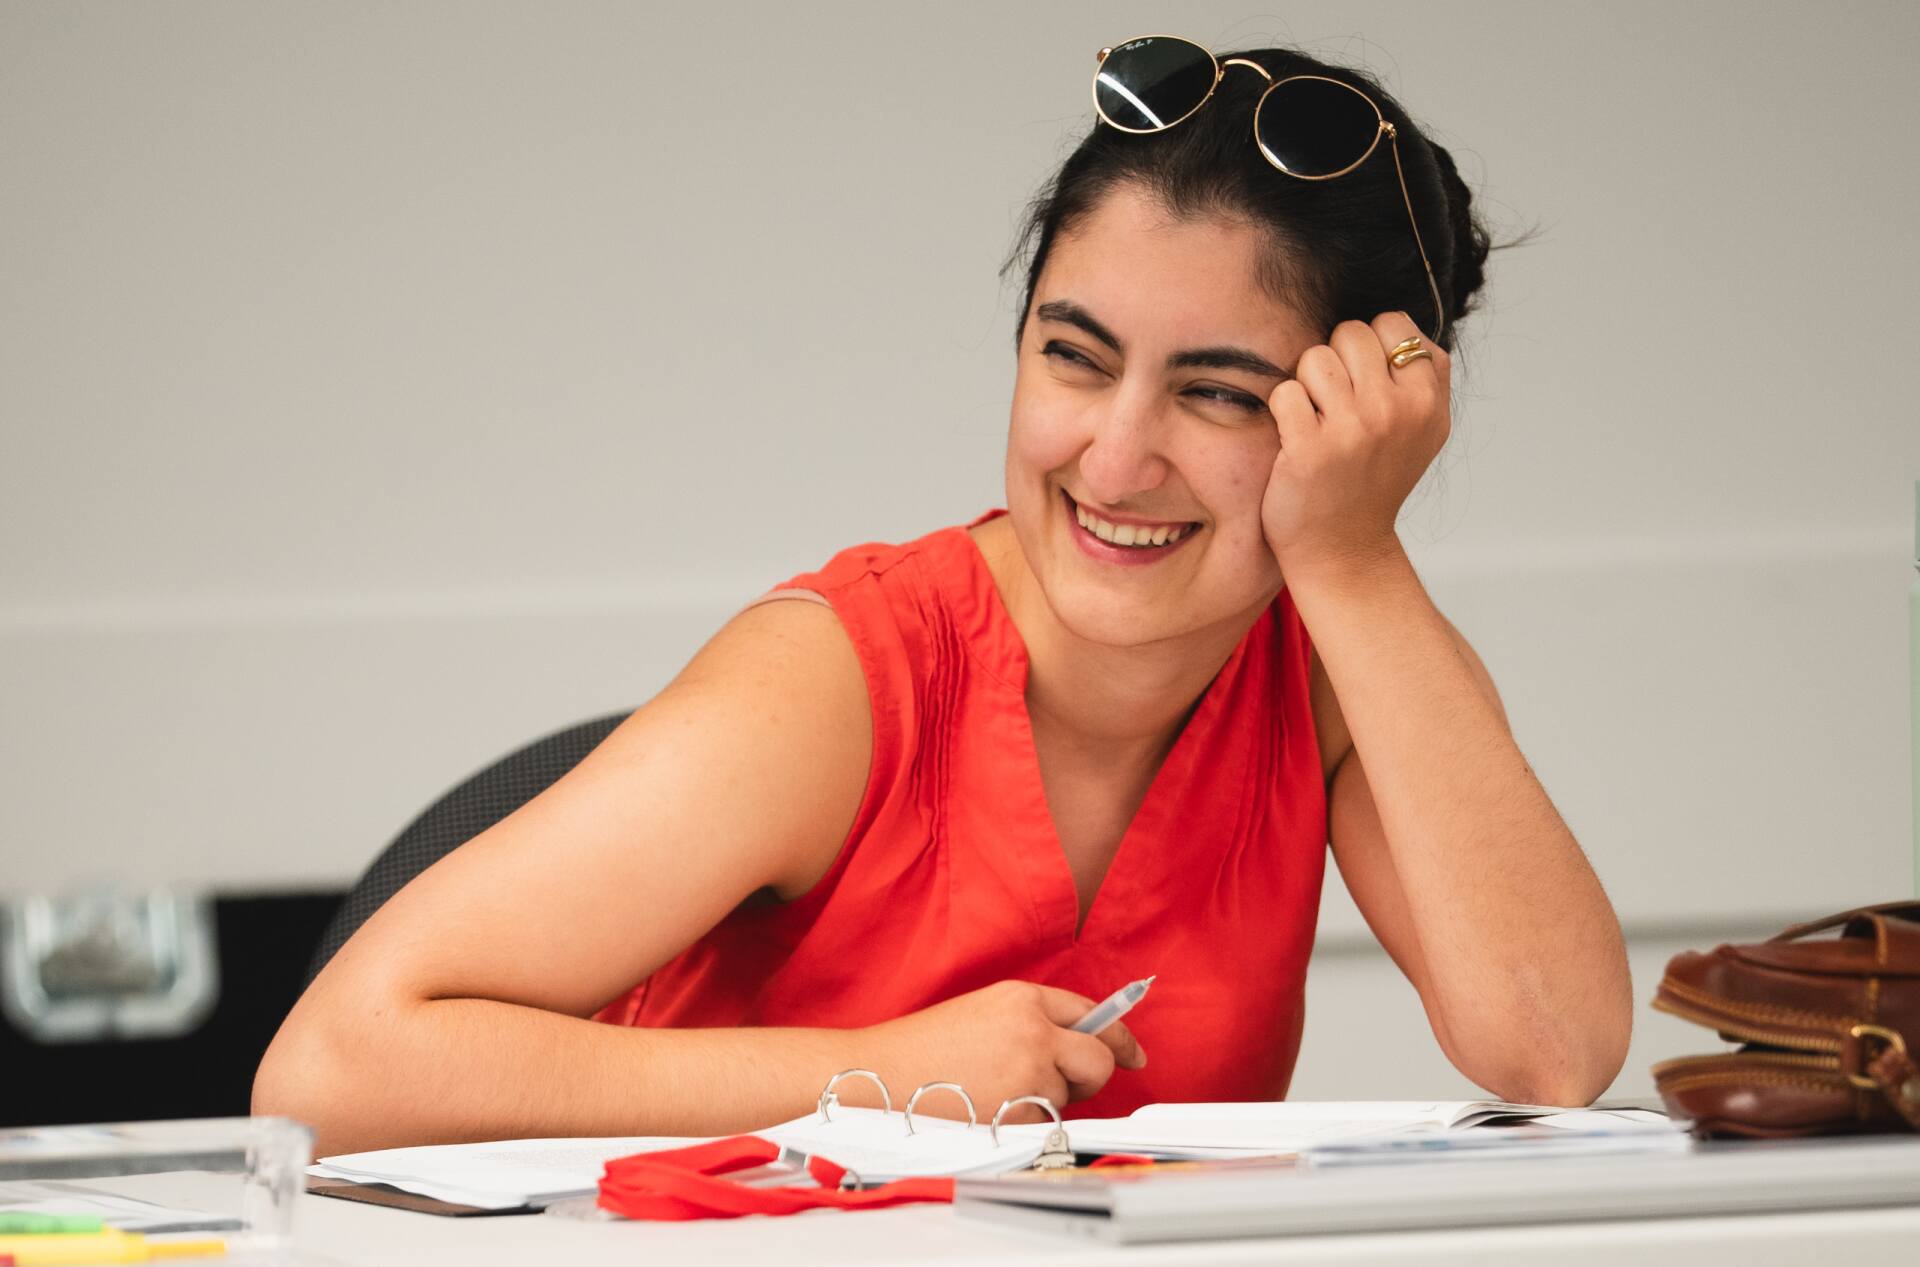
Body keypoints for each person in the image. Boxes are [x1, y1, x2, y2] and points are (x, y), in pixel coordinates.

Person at [255, 36, 1632, 1157]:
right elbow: (327, 1068)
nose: (1114, 457)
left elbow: (1553, 1051)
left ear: (1358, 416)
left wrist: (1356, 554)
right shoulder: (838, 682)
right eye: (1075, 358)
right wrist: (868, 1075)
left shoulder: (1336, 665)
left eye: (1217, 392)